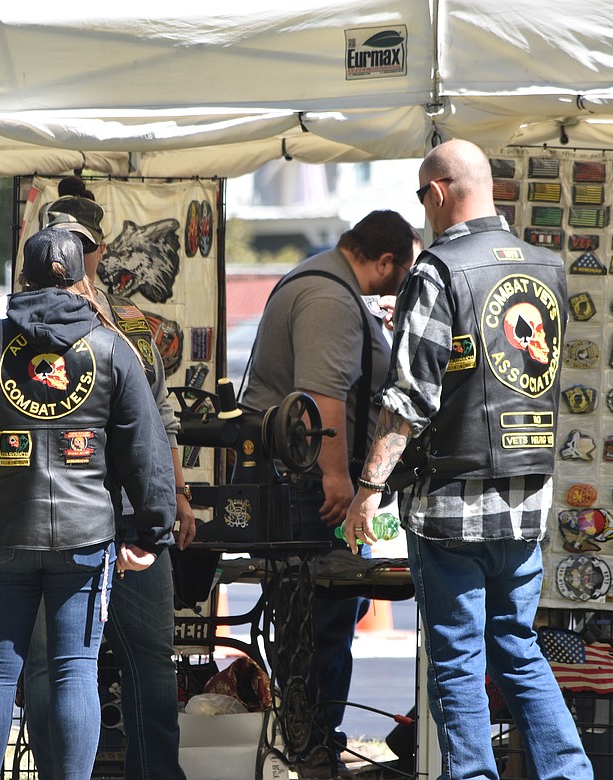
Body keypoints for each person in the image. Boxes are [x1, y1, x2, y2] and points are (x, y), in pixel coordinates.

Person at [343, 139, 593, 780]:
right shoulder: (547, 266)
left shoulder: (439, 271)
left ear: (437, 192)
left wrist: (369, 489)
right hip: (527, 498)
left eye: (423, 197)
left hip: (453, 503)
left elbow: (410, 399)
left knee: (457, 658)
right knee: (518, 648)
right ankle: (569, 774)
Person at [0, 226, 176, 780]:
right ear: (83, 279)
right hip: (84, 536)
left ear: (24, 278)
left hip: (1, 528)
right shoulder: (113, 347)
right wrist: (152, 533)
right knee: (74, 671)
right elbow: (147, 450)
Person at [22, 177, 194, 780]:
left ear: (97, 250)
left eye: (81, 241)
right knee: (52, 667)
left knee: (147, 662)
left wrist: (176, 494)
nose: (72, 251)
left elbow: (161, 419)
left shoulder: (133, 329)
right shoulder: (9, 326)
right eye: (61, 239)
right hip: (59, 520)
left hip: (124, 514)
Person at [239, 209, 419, 779]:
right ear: (384, 261)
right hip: (308, 489)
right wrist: (341, 481)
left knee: (325, 619)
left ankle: (314, 744)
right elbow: (320, 400)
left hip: (303, 484)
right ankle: (313, 753)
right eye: (405, 268)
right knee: (318, 624)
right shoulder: (332, 300)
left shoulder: (325, 284)